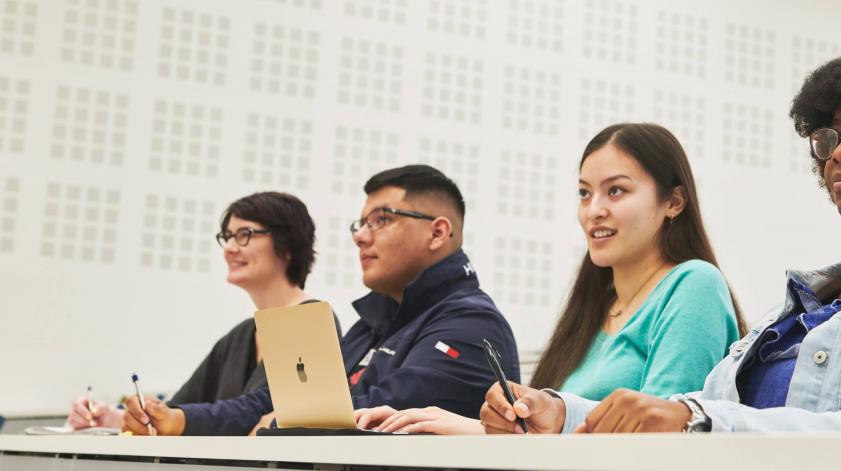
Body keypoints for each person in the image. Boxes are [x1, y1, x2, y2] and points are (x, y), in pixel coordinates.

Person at [481, 38, 841, 434]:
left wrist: (697, 419)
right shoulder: (796, 307)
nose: (839, 150)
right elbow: (691, 407)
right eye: (830, 135)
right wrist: (560, 412)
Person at [356, 123, 744, 434]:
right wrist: (471, 429)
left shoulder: (694, 285)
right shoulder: (594, 306)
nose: (594, 210)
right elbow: (552, 437)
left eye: (616, 191)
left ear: (673, 202)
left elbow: (663, 433)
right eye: (584, 193)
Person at [120, 165, 520, 435]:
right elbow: (279, 399)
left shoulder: (472, 325)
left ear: (437, 233)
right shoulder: (372, 323)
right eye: (361, 224)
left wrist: (276, 424)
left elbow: (383, 412)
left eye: (382, 219)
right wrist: (179, 419)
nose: (362, 236)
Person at [67, 192, 330, 431]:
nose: (229, 248)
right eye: (227, 237)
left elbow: (253, 410)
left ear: (287, 245)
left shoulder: (311, 320)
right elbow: (178, 406)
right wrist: (110, 417)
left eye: (244, 235)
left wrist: (172, 419)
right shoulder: (241, 335)